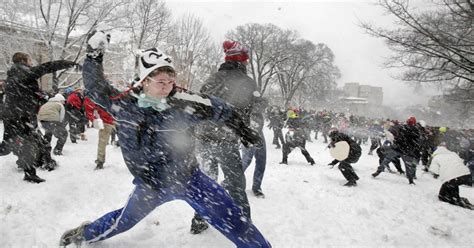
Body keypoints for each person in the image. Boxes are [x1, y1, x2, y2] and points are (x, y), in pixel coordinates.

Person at [60, 31, 271, 248]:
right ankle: (84, 234)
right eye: (161, 81)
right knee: (122, 222)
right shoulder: (125, 105)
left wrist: (242, 128)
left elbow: (219, 107)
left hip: (190, 179)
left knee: (235, 221)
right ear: (144, 81)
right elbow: (96, 88)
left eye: (171, 81)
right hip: (152, 185)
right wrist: (94, 57)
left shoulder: (183, 101)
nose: (168, 87)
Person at [190, 40, 257, 234]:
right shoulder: (246, 83)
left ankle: (199, 219)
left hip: (203, 138)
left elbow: (199, 105)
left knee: (207, 181)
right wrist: (244, 133)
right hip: (225, 140)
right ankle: (244, 226)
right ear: (242, 61)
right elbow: (244, 114)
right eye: (246, 60)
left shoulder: (212, 78)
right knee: (236, 185)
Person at [2, 52, 77, 183]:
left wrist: (40, 97)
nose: (31, 62)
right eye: (29, 59)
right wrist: (67, 63)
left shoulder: (13, 75)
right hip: (20, 116)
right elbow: (46, 67)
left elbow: (24, 93)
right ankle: (30, 174)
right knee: (26, 144)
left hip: (13, 116)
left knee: (8, 147)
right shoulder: (24, 72)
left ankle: (30, 173)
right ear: (23, 60)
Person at [429, 143, 473, 210]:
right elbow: (461, 162)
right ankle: (456, 198)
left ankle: (456, 200)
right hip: (465, 175)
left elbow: (434, 171)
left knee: (442, 195)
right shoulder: (453, 154)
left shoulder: (436, 157)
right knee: (452, 184)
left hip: (452, 178)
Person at [241, 97, 268, 198]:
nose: (260, 107)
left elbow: (265, 101)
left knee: (261, 161)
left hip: (259, 134)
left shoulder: (258, 101)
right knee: (246, 161)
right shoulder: (245, 106)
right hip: (249, 134)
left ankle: (257, 188)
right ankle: (230, 180)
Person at [84, 96, 115, 169]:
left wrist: (94, 119)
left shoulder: (94, 98)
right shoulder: (109, 95)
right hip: (113, 120)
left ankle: (100, 161)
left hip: (105, 121)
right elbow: (116, 108)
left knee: (102, 142)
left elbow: (89, 109)